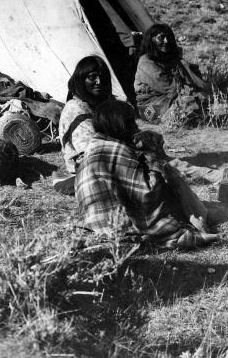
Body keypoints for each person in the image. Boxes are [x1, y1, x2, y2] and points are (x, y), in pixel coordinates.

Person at [54, 56, 228, 193]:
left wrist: (142, 138)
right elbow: (92, 150)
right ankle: (218, 177)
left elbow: (123, 130)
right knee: (157, 164)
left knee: (159, 157)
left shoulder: (99, 103)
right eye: (92, 77)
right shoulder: (76, 109)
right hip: (91, 166)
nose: (99, 82)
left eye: (103, 77)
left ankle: (218, 176)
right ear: (81, 79)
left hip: (112, 155)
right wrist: (133, 147)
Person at [75, 99, 218, 248]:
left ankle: (202, 215)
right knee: (170, 174)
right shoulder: (115, 151)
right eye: (131, 123)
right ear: (119, 125)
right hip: (118, 227)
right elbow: (147, 195)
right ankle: (200, 218)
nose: (136, 128)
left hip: (97, 226)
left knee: (169, 172)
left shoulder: (95, 148)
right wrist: (153, 154)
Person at [134, 23, 208, 124]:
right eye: (161, 38)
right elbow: (169, 87)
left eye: (168, 37)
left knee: (200, 99)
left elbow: (195, 82)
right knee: (188, 101)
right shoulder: (146, 62)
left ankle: (192, 118)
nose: (166, 41)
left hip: (171, 98)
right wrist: (192, 92)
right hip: (150, 106)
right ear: (151, 39)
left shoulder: (170, 59)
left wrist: (184, 65)